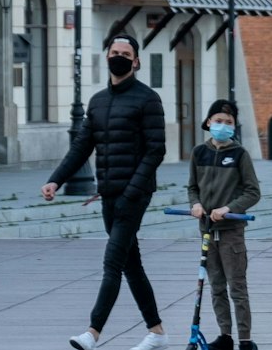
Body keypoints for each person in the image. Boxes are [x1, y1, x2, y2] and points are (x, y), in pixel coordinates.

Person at [44, 31, 169, 350]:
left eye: (125, 55)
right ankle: (157, 332)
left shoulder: (147, 99)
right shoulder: (98, 101)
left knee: (112, 261)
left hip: (134, 195)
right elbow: (82, 146)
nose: (119, 58)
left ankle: (93, 332)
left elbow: (156, 150)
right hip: (108, 195)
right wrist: (56, 180)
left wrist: (133, 190)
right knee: (131, 263)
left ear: (136, 62)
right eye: (114, 52)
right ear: (107, 56)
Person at [188, 99, 262, 350]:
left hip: (231, 232)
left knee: (236, 287)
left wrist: (229, 209)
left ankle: (245, 339)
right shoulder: (199, 153)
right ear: (209, 122)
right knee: (216, 286)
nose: (222, 126)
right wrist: (196, 204)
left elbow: (253, 192)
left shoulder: (239, 154)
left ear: (234, 126)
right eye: (218, 121)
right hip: (207, 231)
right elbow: (192, 188)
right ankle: (225, 335)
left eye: (228, 122)